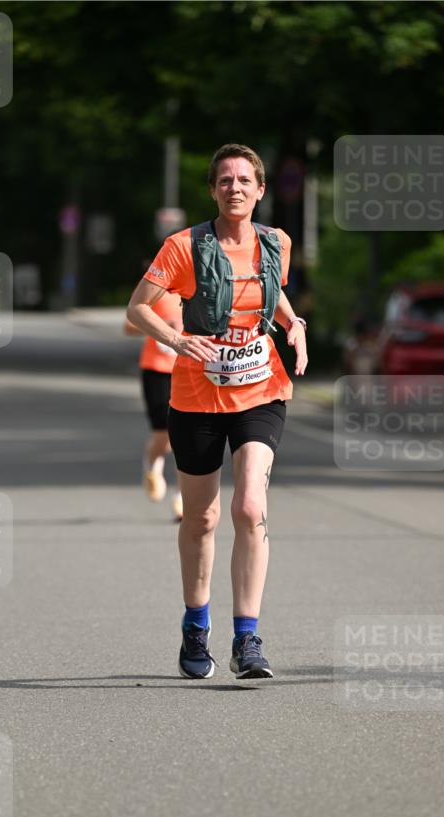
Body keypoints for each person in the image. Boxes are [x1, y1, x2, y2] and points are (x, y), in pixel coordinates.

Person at [127, 144, 307, 680]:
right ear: (213, 189)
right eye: (224, 180)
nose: (235, 188)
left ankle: (248, 638)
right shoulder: (184, 247)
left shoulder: (277, 242)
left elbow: (271, 294)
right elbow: (137, 307)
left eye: (244, 180)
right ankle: (195, 623)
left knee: (250, 507)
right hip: (197, 397)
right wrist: (177, 339)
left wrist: (292, 322)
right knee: (202, 518)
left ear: (260, 189)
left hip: (261, 389)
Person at [125, 281, 183, 521]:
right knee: (163, 436)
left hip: (190, 368)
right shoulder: (155, 287)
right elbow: (129, 326)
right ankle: (152, 466)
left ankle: (183, 498)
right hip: (157, 369)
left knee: (185, 437)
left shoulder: (202, 285)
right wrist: (160, 327)